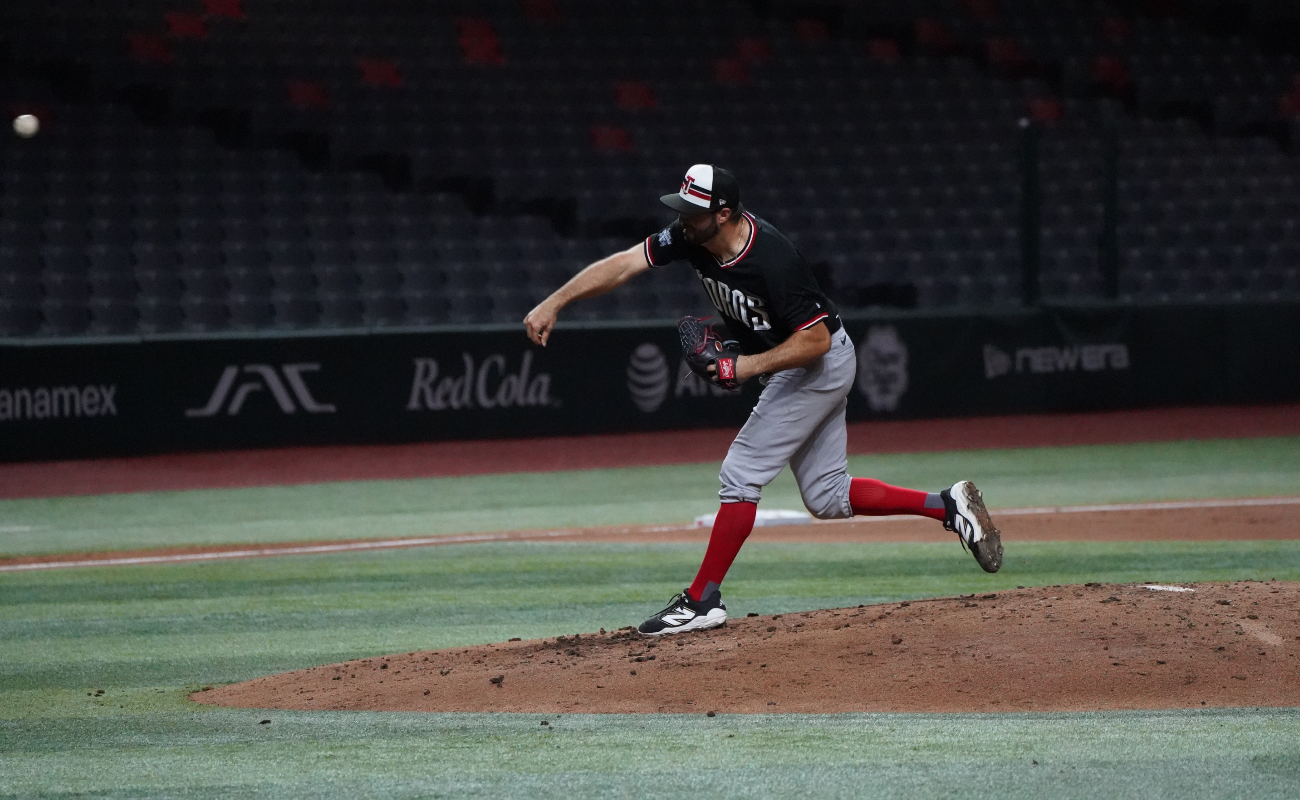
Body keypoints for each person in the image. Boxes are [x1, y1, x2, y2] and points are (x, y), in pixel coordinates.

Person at [523, 164, 1002, 636]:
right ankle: (948, 506)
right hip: (805, 363)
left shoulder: (772, 258)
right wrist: (555, 302)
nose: (684, 219)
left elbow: (814, 341)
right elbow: (627, 261)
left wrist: (743, 366)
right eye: (682, 209)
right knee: (827, 496)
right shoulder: (690, 235)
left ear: (725, 213)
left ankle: (702, 599)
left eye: (694, 211)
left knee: (741, 473)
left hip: (818, 363)